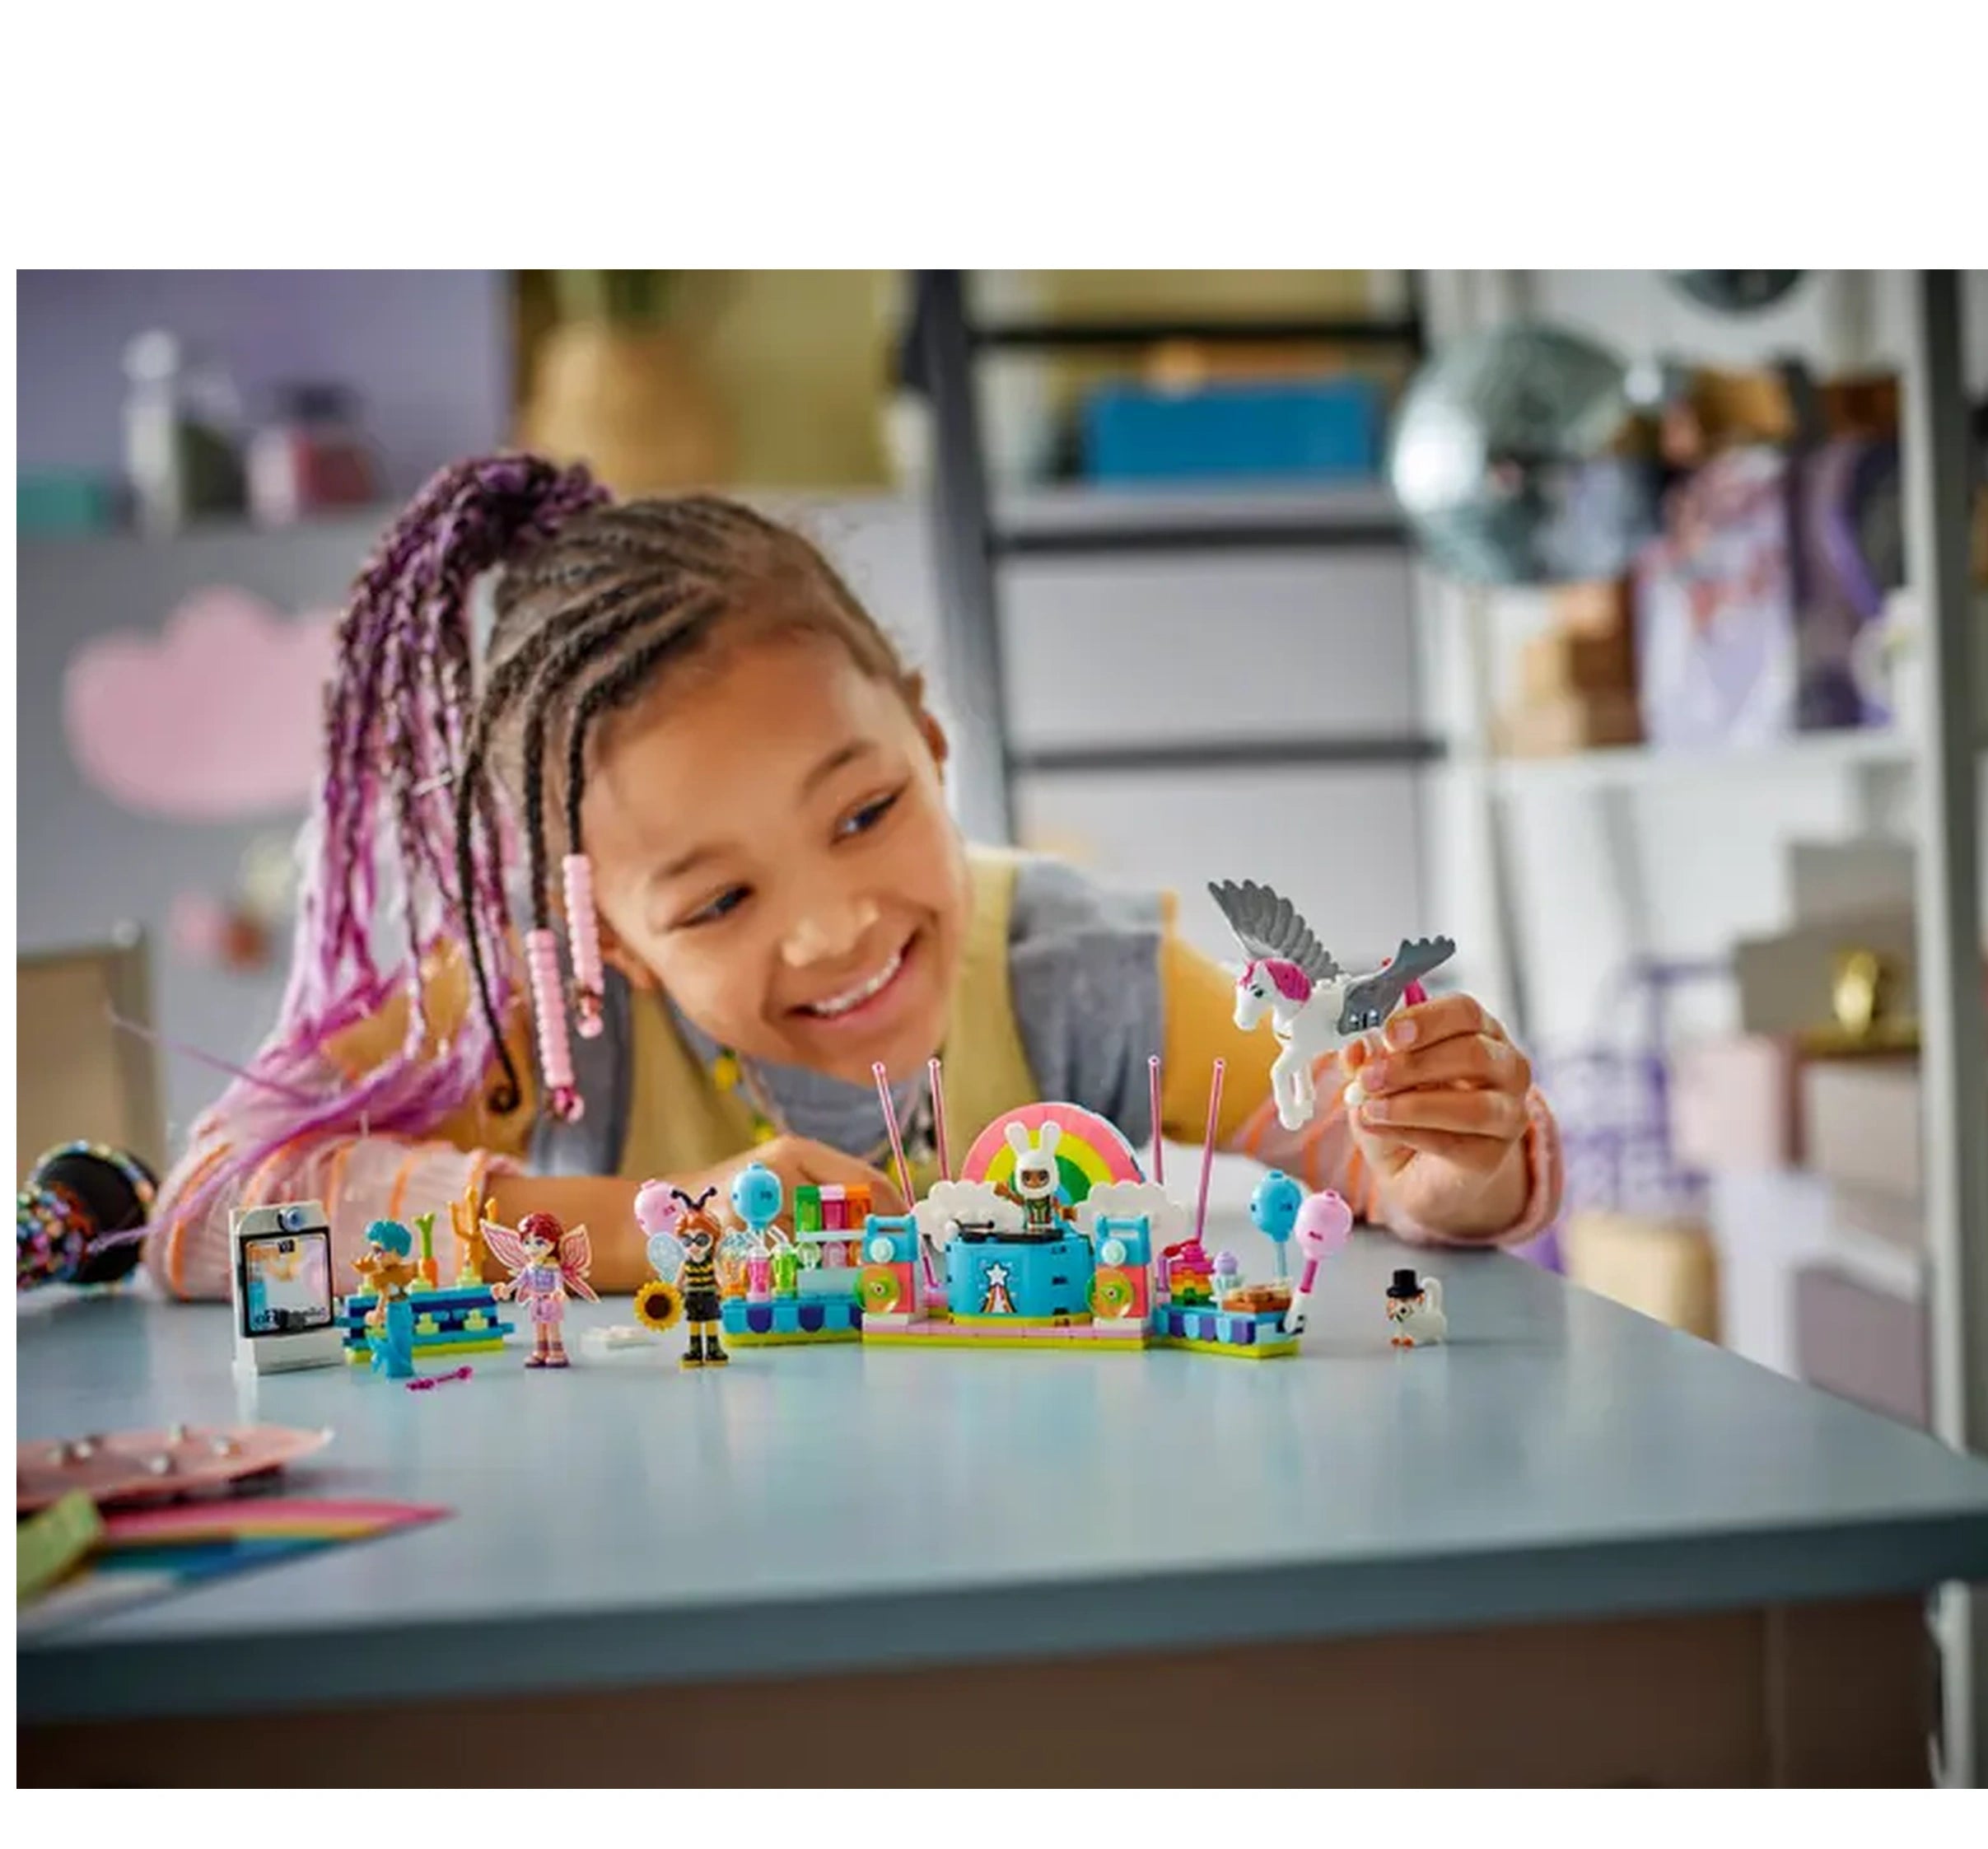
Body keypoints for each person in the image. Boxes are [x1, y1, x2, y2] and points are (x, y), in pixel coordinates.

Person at [147, 455, 1561, 1300]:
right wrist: (659, 1227)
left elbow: (1378, 1170)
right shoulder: (539, 1014)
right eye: (714, 902)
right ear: (612, 938)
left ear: (933, 746)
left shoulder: (1067, 972)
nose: (834, 925)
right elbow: (209, 1209)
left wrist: (1451, 1171)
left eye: (868, 809)